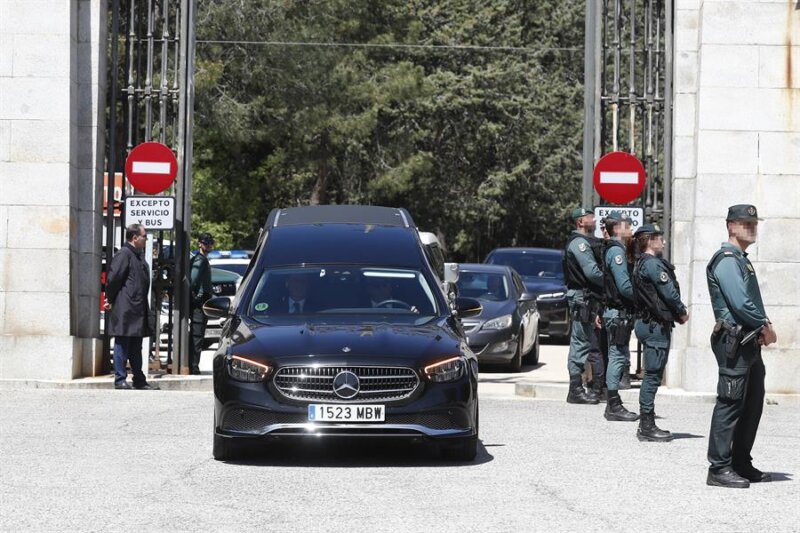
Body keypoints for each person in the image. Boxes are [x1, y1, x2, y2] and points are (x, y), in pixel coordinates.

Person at [706, 205, 777, 489]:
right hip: (734, 341)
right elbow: (739, 302)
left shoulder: (739, 259)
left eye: (754, 223)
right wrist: (765, 326)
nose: (752, 227)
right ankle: (719, 467)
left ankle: (740, 462)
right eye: (746, 223)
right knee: (730, 403)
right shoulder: (726, 259)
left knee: (752, 403)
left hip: (748, 341)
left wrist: (761, 327)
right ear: (731, 226)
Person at [629, 223, 688, 441]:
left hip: (648, 323)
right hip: (655, 326)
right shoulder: (652, 265)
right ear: (650, 240)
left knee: (652, 374)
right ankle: (647, 426)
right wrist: (681, 312)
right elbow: (669, 293)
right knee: (652, 376)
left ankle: (647, 424)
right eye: (659, 237)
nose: (663, 241)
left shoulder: (641, 263)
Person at [104, 224, 159, 390]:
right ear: (134, 238)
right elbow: (113, 279)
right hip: (126, 307)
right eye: (144, 236)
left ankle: (139, 380)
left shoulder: (138, 256)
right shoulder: (124, 254)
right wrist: (110, 298)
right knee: (122, 342)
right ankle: (120, 379)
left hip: (137, 307)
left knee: (136, 346)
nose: (146, 239)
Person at [563, 207, 605, 404]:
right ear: (580, 222)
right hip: (582, 297)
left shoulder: (582, 242)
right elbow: (593, 273)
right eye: (590, 217)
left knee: (583, 341)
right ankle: (575, 389)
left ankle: (577, 387)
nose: (594, 219)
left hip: (584, 297)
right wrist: (611, 281)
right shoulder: (579, 244)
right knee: (580, 341)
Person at [600, 211, 638, 422]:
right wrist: (642, 298)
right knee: (616, 356)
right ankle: (613, 404)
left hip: (617, 312)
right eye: (628, 225)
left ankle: (613, 403)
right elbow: (624, 286)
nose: (631, 228)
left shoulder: (619, 250)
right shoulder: (616, 252)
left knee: (618, 355)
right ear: (617, 228)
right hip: (618, 313)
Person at [189, 233, 214, 374]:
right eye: (206, 242)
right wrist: (196, 297)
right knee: (197, 335)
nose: (209, 245)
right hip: (199, 303)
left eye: (210, 242)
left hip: (201, 301)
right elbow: (193, 281)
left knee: (197, 334)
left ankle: (193, 365)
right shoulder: (200, 260)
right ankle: (193, 366)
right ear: (199, 244)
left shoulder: (201, 259)